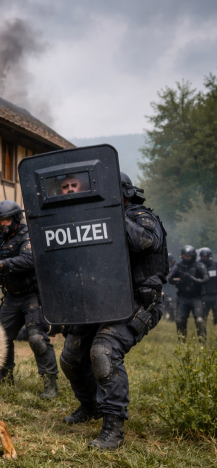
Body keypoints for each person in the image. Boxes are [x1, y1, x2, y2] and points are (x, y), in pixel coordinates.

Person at [59, 172, 168, 450]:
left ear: (123, 193)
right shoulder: (89, 222)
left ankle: (113, 428)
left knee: (103, 351)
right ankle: (90, 406)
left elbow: (146, 242)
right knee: (70, 357)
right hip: (99, 302)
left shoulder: (140, 216)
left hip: (138, 303)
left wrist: (111, 213)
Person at [0, 200, 60, 399]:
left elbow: (28, 260)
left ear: (16, 218)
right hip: (11, 296)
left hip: (32, 295)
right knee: (1, 337)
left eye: (6, 220)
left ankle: (50, 383)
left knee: (36, 338)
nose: (2, 224)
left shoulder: (28, 235)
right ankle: (5, 375)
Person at [167, 245, 208, 339]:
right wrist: (178, 279)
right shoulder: (179, 265)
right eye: (184, 256)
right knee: (179, 320)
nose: (186, 258)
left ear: (192, 256)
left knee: (200, 320)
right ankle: (182, 341)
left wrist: (195, 280)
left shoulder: (199, 265)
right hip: (183, 297)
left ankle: (202, 341)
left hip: (196, 297)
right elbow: (170, 276)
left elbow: (206, 278)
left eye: (188, 256)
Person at [199, 248, 217, 325]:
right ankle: (202, 329)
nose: (205, 258)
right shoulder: (198, 266)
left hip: (215, 294)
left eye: (206, 257)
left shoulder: (215, 265)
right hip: (204, 295)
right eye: (203, 257)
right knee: (203, 315)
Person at [161, 253, 177, 321]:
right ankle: (167, 316)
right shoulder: (162, 268)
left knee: (173, 303)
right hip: (165, 287)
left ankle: (172, 316)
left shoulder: (176, 268)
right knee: (165, 302)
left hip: (173, 288)